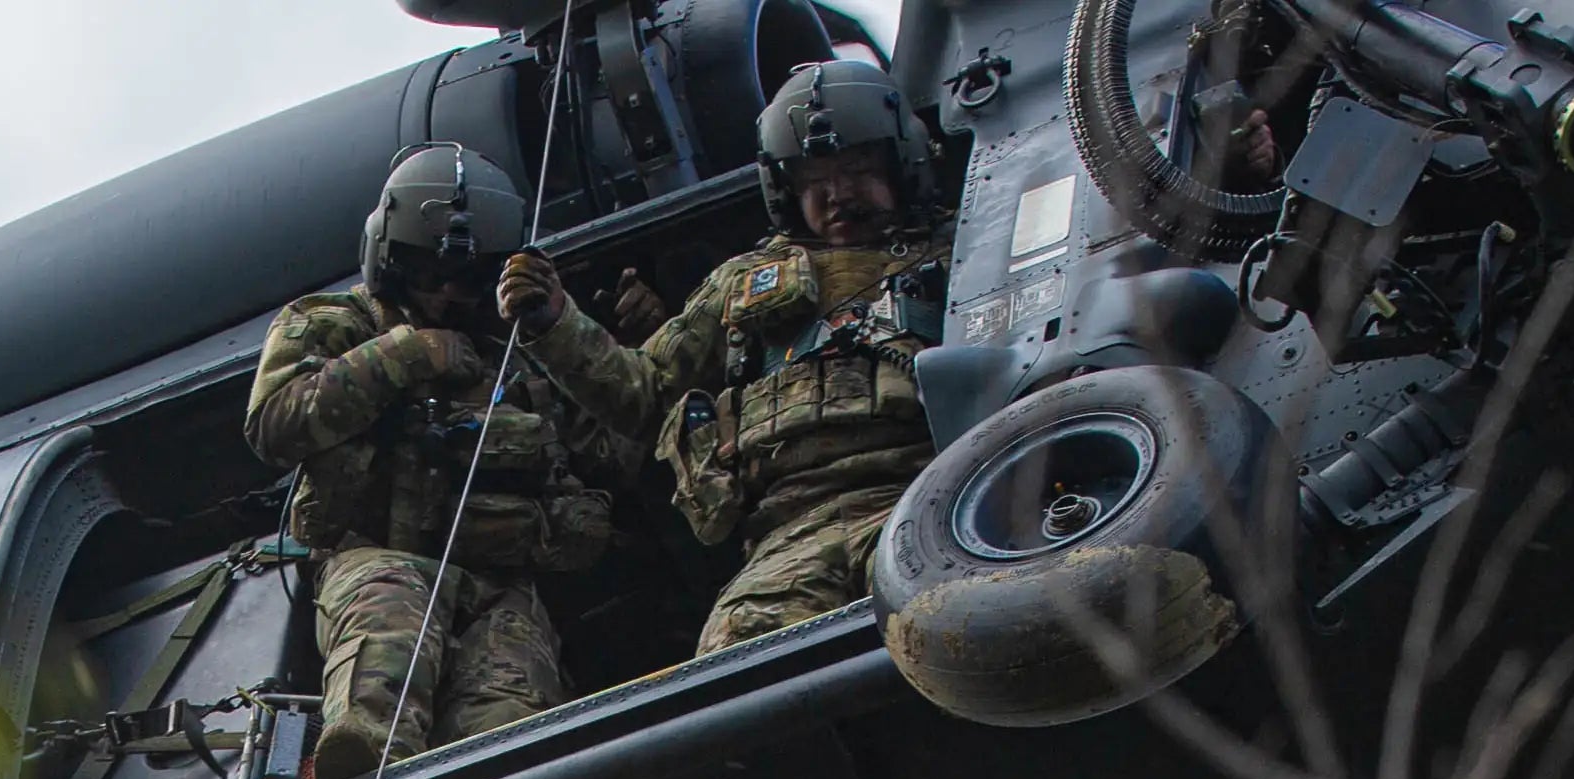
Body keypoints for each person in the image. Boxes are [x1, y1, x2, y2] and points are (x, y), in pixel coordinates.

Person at [503, 59, 1275, 656]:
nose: (836, 195)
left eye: (856, 171)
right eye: (814, 182)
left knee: (982, 632)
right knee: (739, 660)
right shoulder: (741, 283)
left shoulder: (968, 252)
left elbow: (1103, 277)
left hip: (931, 499)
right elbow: (642, 393)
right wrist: (553, 322)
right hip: (786, 531)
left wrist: (1228, 174)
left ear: (899, 164)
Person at [246, 143, 630, 779]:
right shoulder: (338, 323)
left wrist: (585, 333)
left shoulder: (523, 355)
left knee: (511, 725)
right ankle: (362, 773)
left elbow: (614, 447)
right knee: (388, 636)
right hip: (378, 556)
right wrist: (406, 356)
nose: (450, 293)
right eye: (431, 273)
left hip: (502, 582)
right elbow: (274, 425)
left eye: (470, 279)